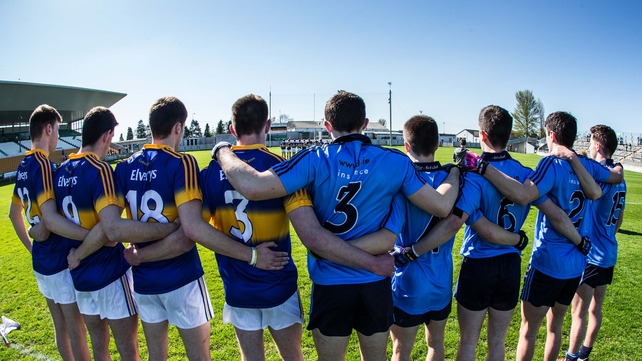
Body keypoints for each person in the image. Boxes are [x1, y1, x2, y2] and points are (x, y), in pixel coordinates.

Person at [212, 91, 461, 361]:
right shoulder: (395, 161)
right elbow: (441, 206)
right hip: (374, 283)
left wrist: (222, 150)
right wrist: (457, 172)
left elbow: (253, 185)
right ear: (365, 124)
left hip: (330, 283)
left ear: (327, 126)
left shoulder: (313, 158)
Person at [201, 94, 394, 361]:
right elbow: (311, 234)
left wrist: (247, 255)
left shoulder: (210, 172)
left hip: (237, 286)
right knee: (292, 356)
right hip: (278, 282)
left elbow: (196, 229)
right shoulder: (282, 167)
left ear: (233, 130)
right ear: (268, 126)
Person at [407, 106, 584, 361]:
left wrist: (414, 251)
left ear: (482, 134)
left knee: (468, 342)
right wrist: (578, 240)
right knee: (497, 342)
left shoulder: (474, 175)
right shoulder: (525, 173)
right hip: (510, 265)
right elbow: (555, 213)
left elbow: (455, 223)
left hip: (479, 263)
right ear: (509, 135)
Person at [470, 111, 622, 361]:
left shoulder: (551, 164)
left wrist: (482, 167)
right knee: (556, 327)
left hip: (548, 262)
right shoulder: (588, 165)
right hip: (576, 264)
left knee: (529, 331)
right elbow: (616, 176)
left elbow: (523, 195)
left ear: (551, 135)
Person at [383, 114, 526, 361]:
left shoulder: (400, 183)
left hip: (408, 280)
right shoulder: (455, 179)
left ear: (406, 146)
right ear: (438, 144)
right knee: (436, 345)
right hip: (441, 282)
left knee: (401, 350)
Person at [53, 107, 184, 361]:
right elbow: (110, 231)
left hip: (80, 278)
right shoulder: (100, 171)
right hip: (109, 274)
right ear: (107, 135)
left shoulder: (59, 173)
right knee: (128, 350)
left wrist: (78, 254)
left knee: (99, 348)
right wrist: (168, 228)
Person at [9, 104, 92, 361]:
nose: (57, 136)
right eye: (57, 130)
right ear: (48, 129)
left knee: (61, 328)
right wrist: (92, 237)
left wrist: (32, 246)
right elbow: (50, 221)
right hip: (57, 260)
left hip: (41, 263)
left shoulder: (23, 164)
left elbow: (14, 214)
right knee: (76, 332)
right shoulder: (43, 163)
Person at [562, 125, 626, 361]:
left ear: (598, 145)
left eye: (590, 142)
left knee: (578, 312)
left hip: (593, 255)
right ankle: (584, 354)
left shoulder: (602, 177)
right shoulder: (621, 179)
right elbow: (618, 221)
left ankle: (571, 357)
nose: (588, 147)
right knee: (595, 308)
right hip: (609, 251)